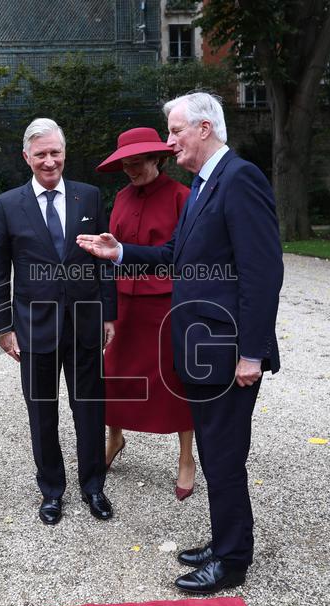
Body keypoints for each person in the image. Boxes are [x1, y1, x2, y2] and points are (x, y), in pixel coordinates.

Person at [77, 92, 284, 594]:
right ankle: (223, 541)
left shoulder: (240, 178)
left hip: (228, 350)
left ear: (204, 129)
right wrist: (121, 250)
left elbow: (263, 271)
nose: (169, 142)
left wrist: (251, 352)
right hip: (200, 348)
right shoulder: (204, 186)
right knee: (215, 451)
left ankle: (231, 561)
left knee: (225, 456)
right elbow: (174, 254)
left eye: (174, 131)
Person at [0, 118, 118, 525]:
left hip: (85, 324)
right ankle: (51, 490)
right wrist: (4, 327)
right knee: (42, 411)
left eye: (55, 152)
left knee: (90, 409)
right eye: (41, 154)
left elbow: (105, 259)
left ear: (65, 153)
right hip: (33, 328)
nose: (49, 161)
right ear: (27, 157)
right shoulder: (7, 205)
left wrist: (109, 314)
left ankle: (93, 486)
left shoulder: (90, 197)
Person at [95, 127, 196, 499]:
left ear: (158, 159)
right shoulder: (120, 197)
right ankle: (114, 438)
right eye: (125, 165)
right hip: (123, 302)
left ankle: (187, 457)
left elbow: (186, 256)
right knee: (116, 375)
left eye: (137, 164)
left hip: (165, 304)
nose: (130, 171)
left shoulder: (182, 198)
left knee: (174, 381)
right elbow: (111, 252)